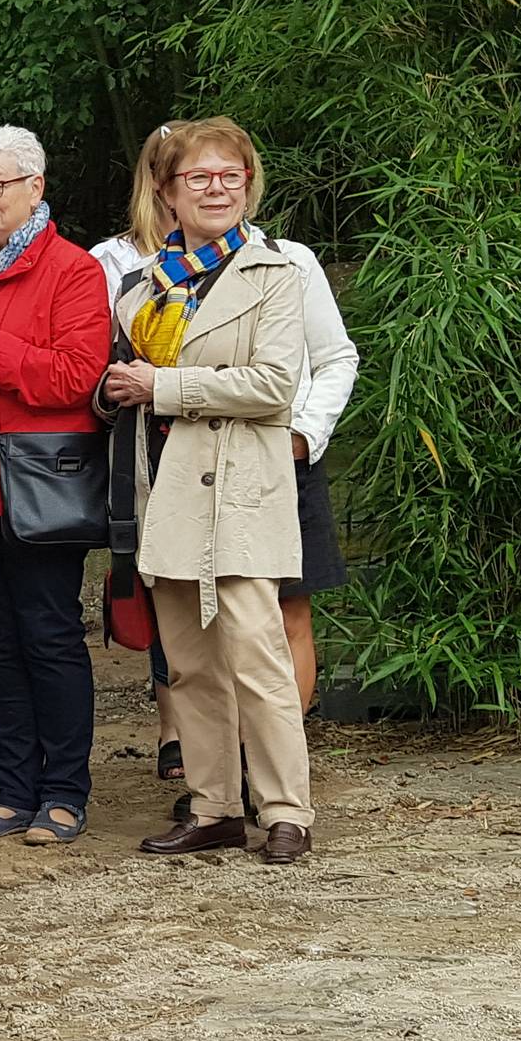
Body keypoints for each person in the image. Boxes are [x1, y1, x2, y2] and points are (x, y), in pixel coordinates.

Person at [92, 181, 357, 819]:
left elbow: (299, 372)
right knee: (190, 654)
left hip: (258, 473)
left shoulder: (283, 265)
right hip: (168, 477)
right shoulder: (141, 282)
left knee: (266, 636)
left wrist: (304, 435)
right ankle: (215, 803)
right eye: (193, 179)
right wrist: (115, 393)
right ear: (165, 195)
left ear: (249, 186)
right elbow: (121, 377)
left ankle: (284, 804)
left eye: (229, 177)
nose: (214, 190)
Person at [0, 126, 109, 844]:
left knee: (50, 636)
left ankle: (65, 790)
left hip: (41, 484)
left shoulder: (72, 271)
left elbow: (76, 376)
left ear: (35, 187)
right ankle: (14, 787)